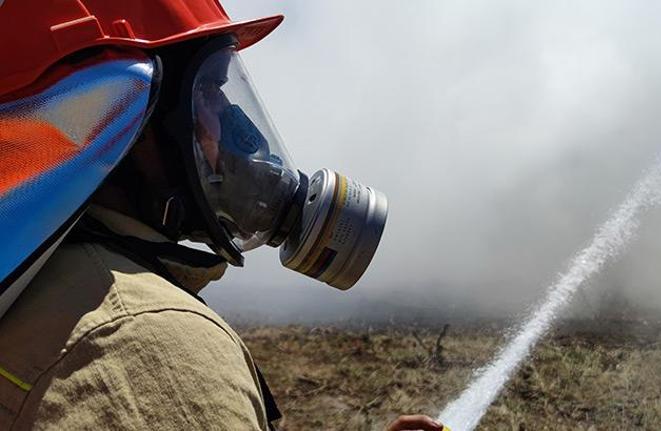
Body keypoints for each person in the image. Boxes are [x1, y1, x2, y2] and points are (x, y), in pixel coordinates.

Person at [0, 1, 444, 430]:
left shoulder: (42, 275)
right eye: (209, 89)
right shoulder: (149, 344)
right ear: (113, 108)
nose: (231, 122)